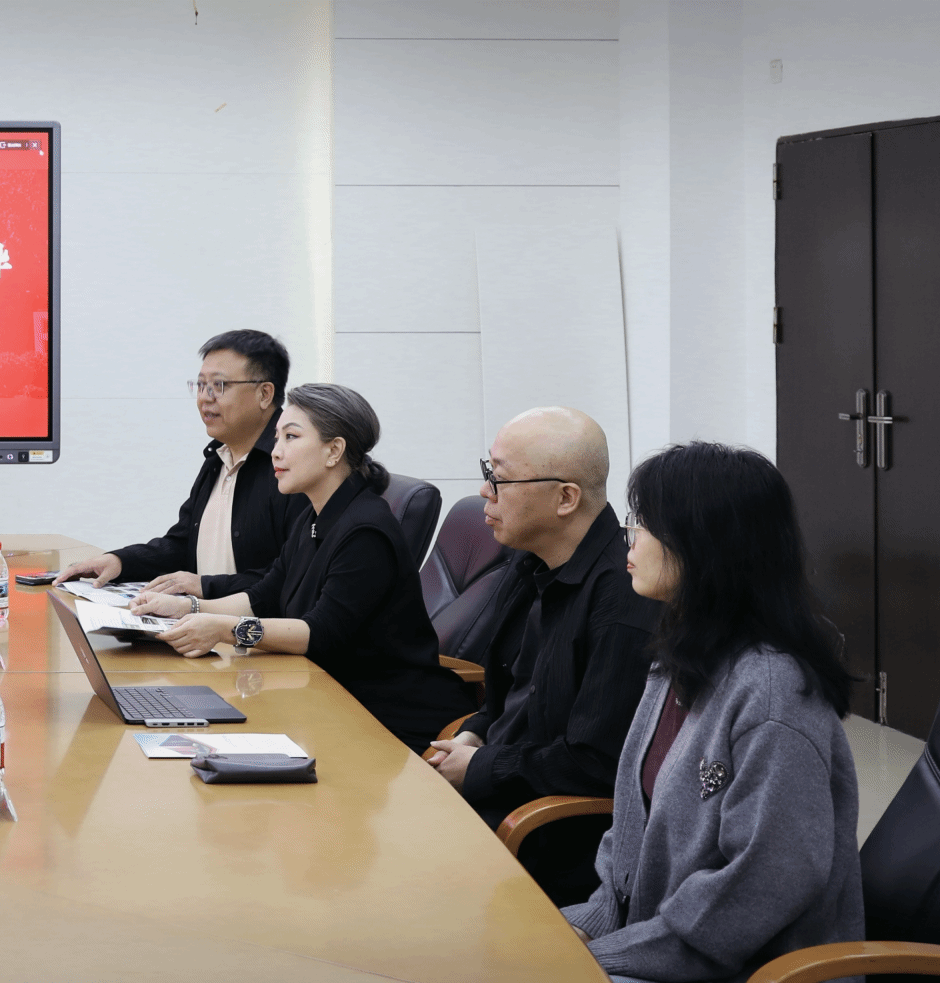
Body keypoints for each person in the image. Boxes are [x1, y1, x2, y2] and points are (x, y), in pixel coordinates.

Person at [562, 442, 860, 983]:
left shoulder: (771, 693)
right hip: (654, 945)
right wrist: (595, 924)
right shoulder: (682, 657)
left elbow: (767, 883)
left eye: (645, 522)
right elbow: (632, 823)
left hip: (745, 969)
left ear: (703, 543)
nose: (629, 535)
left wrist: (605, 956)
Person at [131, 383, 472, 750]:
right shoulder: (313, 516)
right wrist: (188, 608)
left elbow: (320, 633)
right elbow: (264, 595)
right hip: (324, 699)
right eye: (277, 437)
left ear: (334, 450)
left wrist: (223, 629)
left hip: (386, 719)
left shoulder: (366, 531)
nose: (276, 451)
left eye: (291, 437)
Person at [420, 408, 661, 906]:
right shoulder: (530, 562)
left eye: (500, 479)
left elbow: (596, 763)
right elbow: (505, 696)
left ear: (565, 498)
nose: (485, 491)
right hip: (500, 790)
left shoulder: (624, 602)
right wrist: (472, 735)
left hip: (548, 832)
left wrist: (482, 766)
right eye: (487, 472)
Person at [55, 330, 302, 599]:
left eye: (219, 385)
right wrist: (119, 562)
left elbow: (295, 575)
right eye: (200, 385)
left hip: (256, 625)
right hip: (203, 621)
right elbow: (183, 546)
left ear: (264, 394)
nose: (205, 397)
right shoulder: (218, 458)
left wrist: (205, 586)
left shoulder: (293, 465)